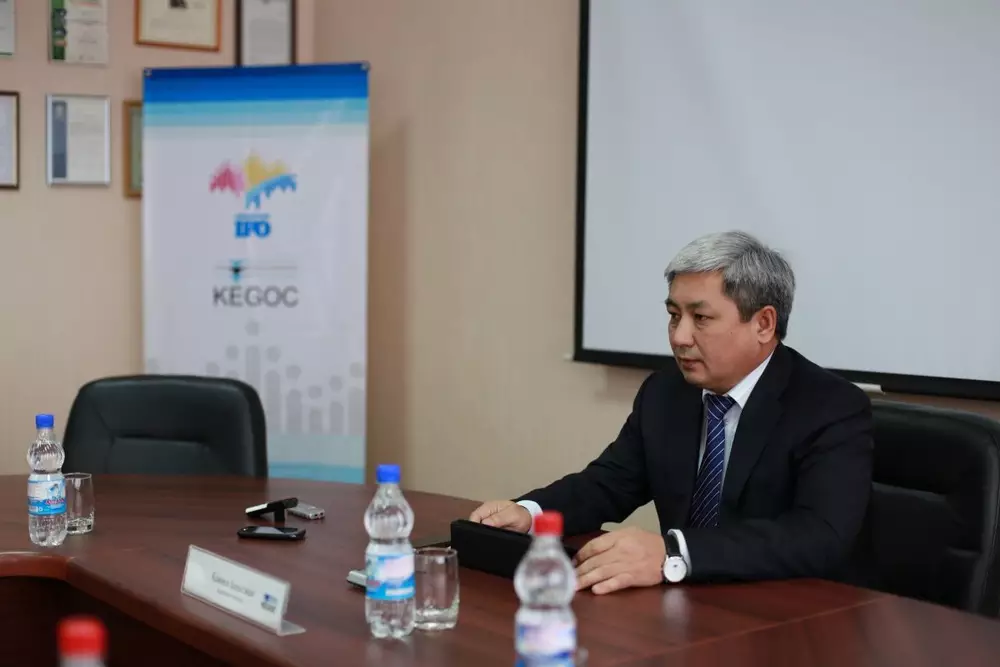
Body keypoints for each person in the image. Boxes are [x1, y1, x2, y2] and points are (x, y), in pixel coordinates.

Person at [470, 231, 873, 594]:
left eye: (701, 318)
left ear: (764, 324)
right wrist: (531, 513)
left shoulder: (830, 407)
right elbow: (609, 484)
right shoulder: (666, 392)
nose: (679, 337)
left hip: (785, 612)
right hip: (684, 607)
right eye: (674, 315)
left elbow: (819, 536)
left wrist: (673, 552)